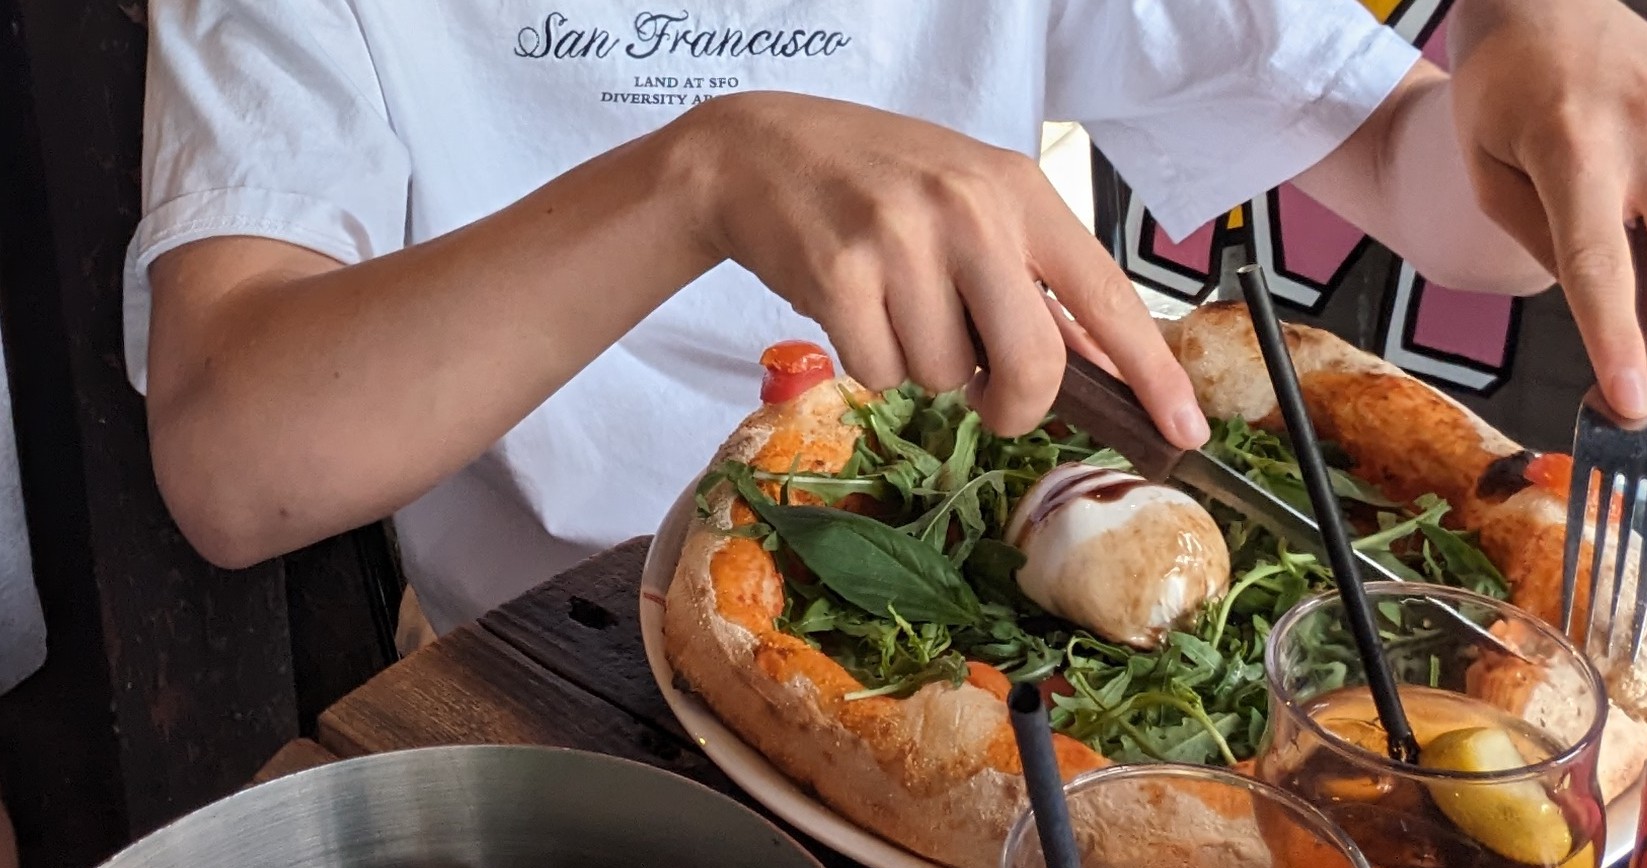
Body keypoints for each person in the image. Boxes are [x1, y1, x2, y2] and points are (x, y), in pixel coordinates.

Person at [127, 0, 1647, 639]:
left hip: (1010, 615)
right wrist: (698, 179)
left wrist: (1529, 65)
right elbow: (232, 457)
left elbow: (1400, 170)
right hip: (564, 681)